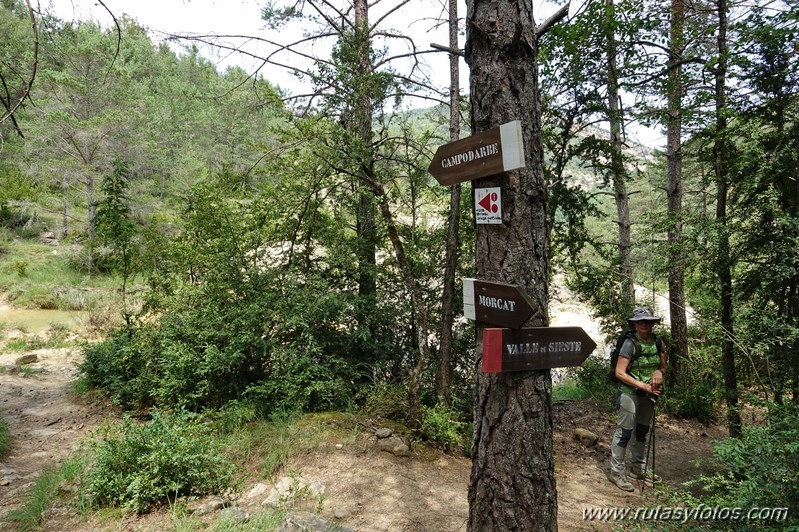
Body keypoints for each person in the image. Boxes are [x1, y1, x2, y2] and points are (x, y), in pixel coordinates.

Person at [609, 306, 667, 492]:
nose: (644, 324)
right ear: (634, 323)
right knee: (625, 432)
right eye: (640, 321)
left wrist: (658, 372)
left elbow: (663, 367)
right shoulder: (630, 343)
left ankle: (638, 467)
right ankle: (616, 472)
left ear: (653, 323)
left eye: (648, 321)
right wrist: (643, 386)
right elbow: (619, 372)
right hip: (629, 393)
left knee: (642, 430)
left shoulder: (658, 343)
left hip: (650, 394)